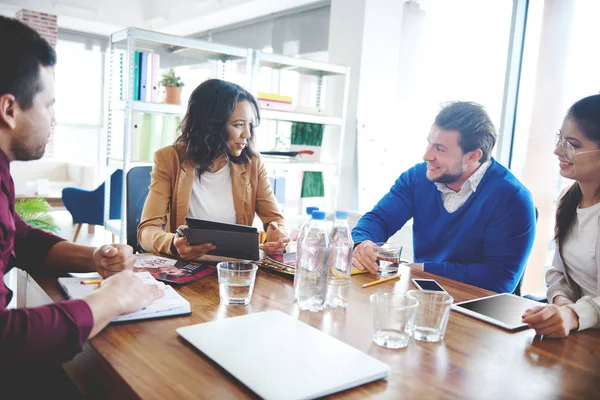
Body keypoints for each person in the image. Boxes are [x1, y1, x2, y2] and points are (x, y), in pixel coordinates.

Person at [352, 101, 536, 293]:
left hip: (476, 310)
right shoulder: (417, 178)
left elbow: (499, 280)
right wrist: (364, 243)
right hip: (424, 297)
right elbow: (379, 219)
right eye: (429, 143)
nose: (426, 156)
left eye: (440, 149)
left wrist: (422, 269)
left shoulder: (512, 199)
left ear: (473, 156)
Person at [138, 79, 289, 260]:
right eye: (238, 125)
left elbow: (276, 219)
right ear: (210, 125)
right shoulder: (169, 159)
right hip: (188, 267)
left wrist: (279, 235)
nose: (247, 135)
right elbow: (146, 231)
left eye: (249, 125)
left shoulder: (252, 163)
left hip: (235, 268)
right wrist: (173, 243)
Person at [523, 94, 600, 338]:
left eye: (572, 145)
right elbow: (559, 273)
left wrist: (574, 315)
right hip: (581, 334)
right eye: (560, 139)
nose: (558, 150)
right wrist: (563, 305)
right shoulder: (569, 200)